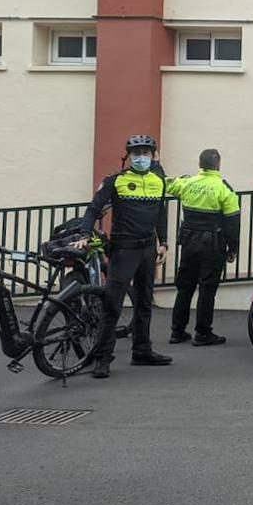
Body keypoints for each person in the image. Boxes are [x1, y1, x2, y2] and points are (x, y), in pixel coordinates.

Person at [73, 133, 173, 378]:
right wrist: (85, 234)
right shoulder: (115, 181)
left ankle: (142, 351)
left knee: (144, 301)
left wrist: (165, 242)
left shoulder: (159, 180)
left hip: (148, 248)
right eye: (136, 154)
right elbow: (94, 209)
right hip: (124, 249)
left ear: (153, 156)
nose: (141, 157)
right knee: (112, 305)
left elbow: (161, 213)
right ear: (128, 157)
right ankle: (103, 358)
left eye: (146, 153)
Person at [165, 149, 240, 346]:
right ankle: (203, 333)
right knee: (207, 289)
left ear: (200, 164)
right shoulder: (224, 189)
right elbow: (233, 222)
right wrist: (233, 249)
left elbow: (168, 184)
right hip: (212, 245)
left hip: (189, 243)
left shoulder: (187, 183)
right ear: (218, 165)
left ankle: (177, 331)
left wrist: (157, 165)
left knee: (185, 287)